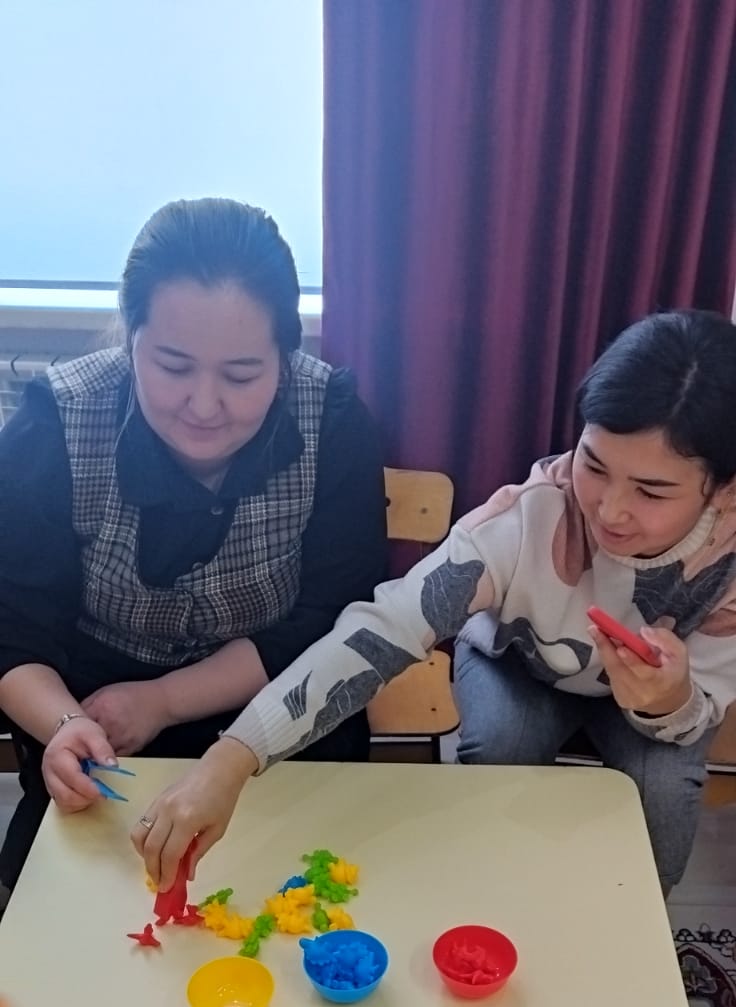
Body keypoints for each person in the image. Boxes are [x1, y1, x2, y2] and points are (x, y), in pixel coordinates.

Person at [133, 308, 736, 899]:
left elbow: (699, 712)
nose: (609, 509)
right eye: (594, 464)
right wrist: (231, 758)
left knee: (664, 788)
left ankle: (641, 924)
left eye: (651, 492)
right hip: (518, 666)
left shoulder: (728, 565)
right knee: (500, 744)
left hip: (657, 702)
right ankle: (487, 894)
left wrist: (668, 701)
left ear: (725, 493)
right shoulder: (527, 518)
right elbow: (383, 630)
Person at [0, 198, 387, 909]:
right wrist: (65, 727)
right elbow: (15, 631)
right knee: (70, 915)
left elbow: (333, 621)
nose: (204, 406)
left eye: (241, 375)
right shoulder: (56, 424)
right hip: (102, 721)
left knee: (303, 905)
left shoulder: (332, 421)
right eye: (173, 366)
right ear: (132, 339)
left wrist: (165, 700)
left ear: (285, 356)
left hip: (280, 709)